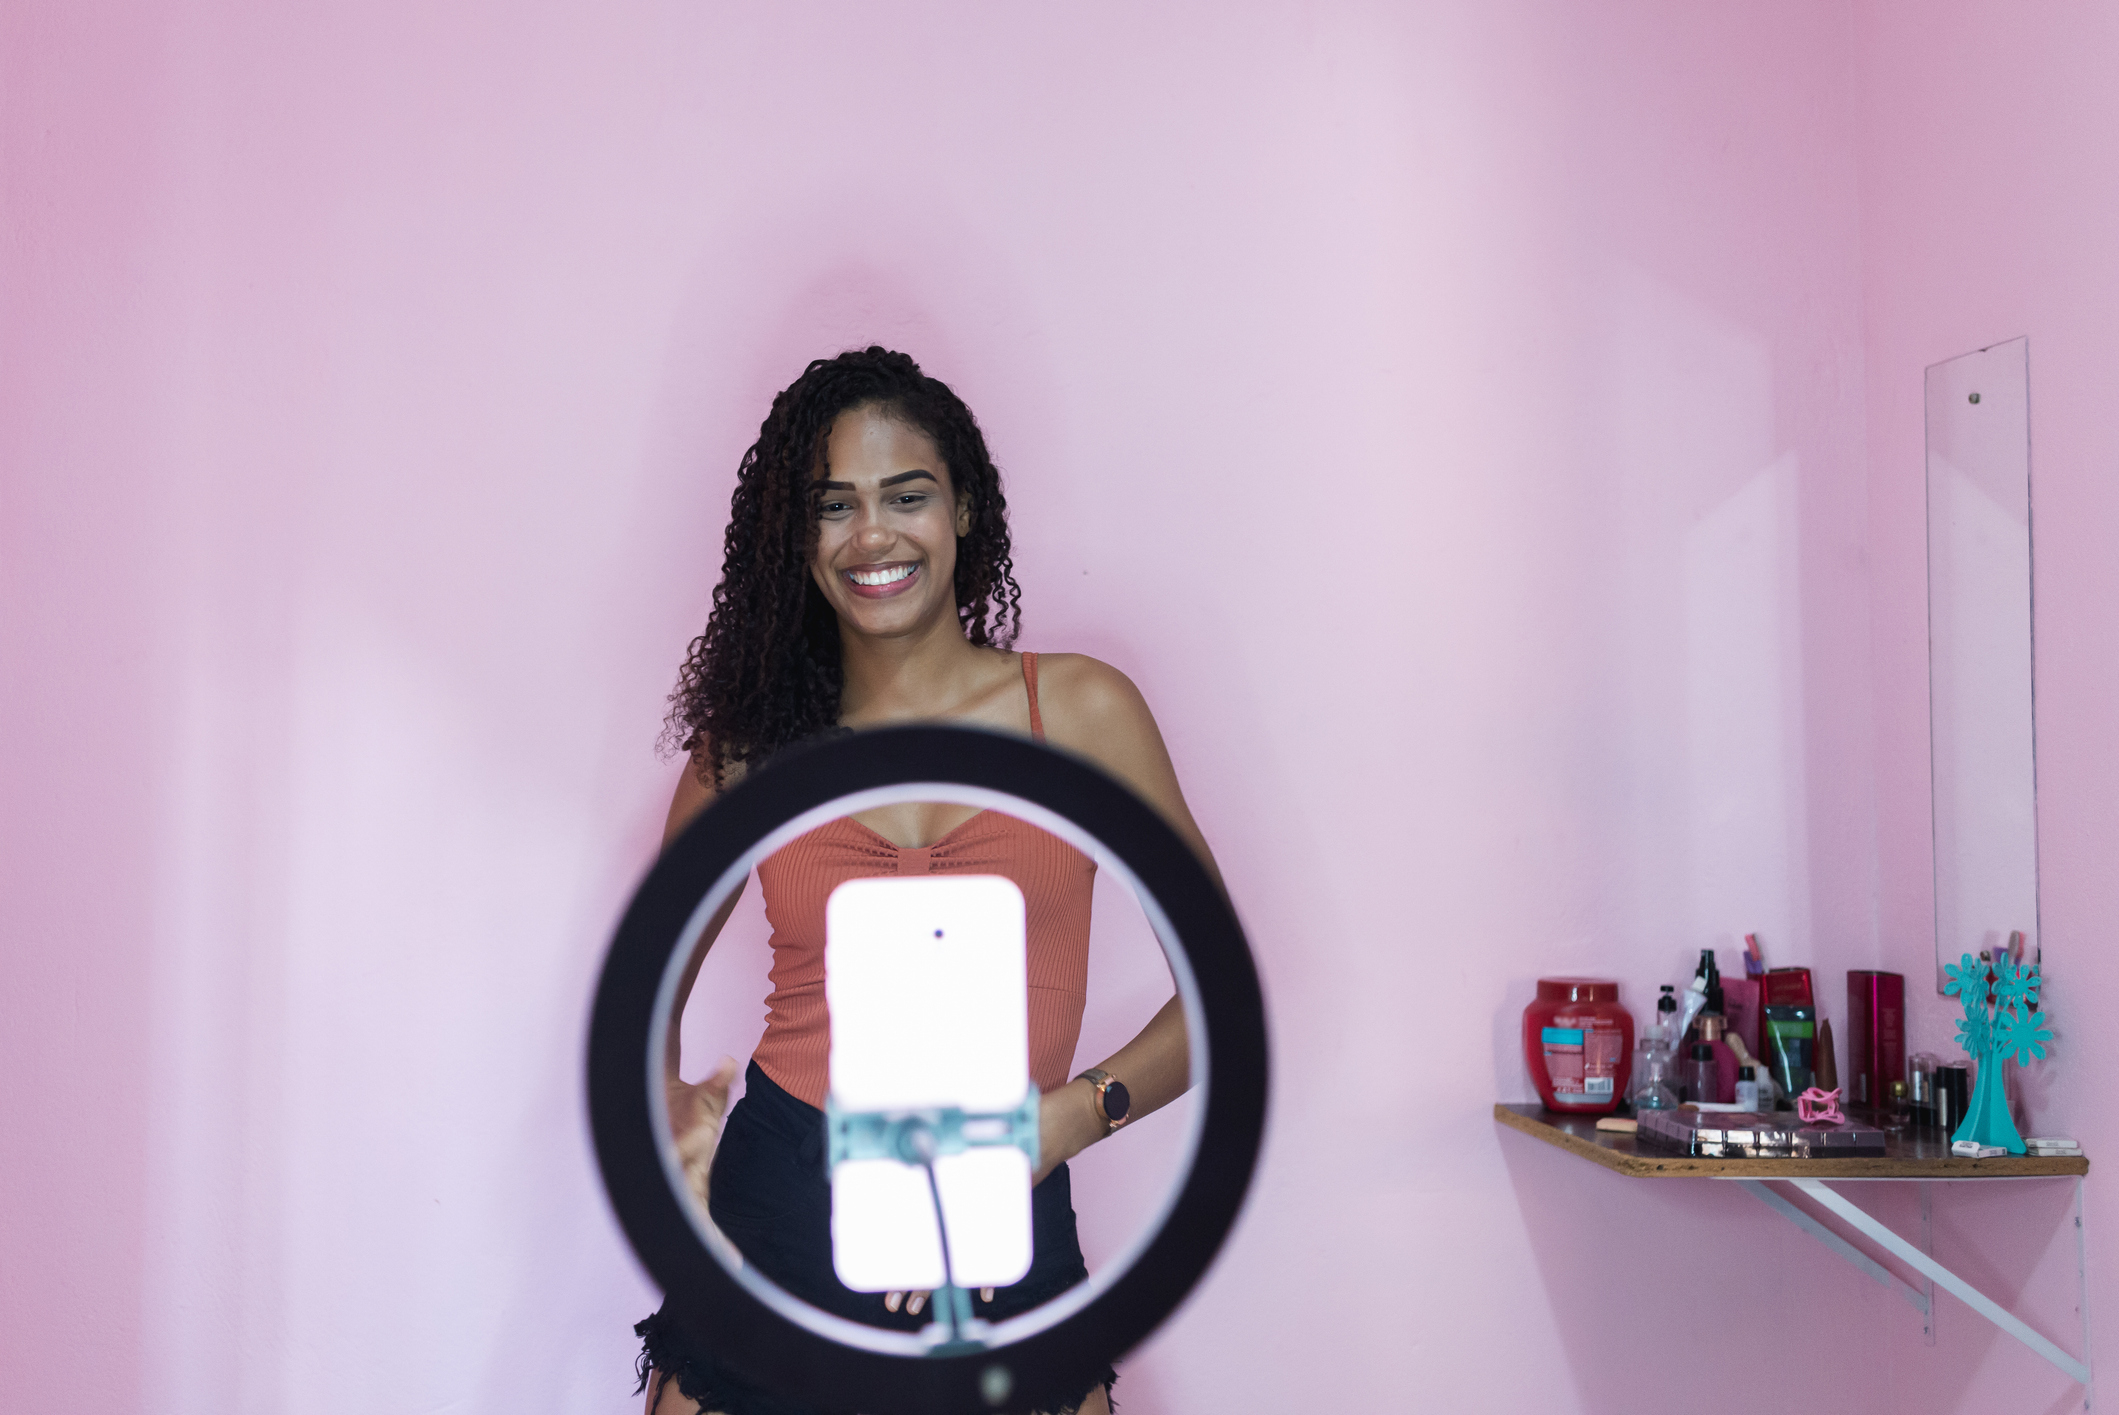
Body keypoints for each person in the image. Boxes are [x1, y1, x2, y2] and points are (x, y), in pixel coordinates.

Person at [634, 347, 1219, 1415]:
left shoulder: (1082, 714)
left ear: (962, 511)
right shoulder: (753, 746)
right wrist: (671, 1118)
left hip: (1007, 1203)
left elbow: (1224, 993)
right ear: (795, 539)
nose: (873, 535)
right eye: (832, 506)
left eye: (906, 495)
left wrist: (1072, 1119)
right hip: (782, 1206)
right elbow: (644, 985)